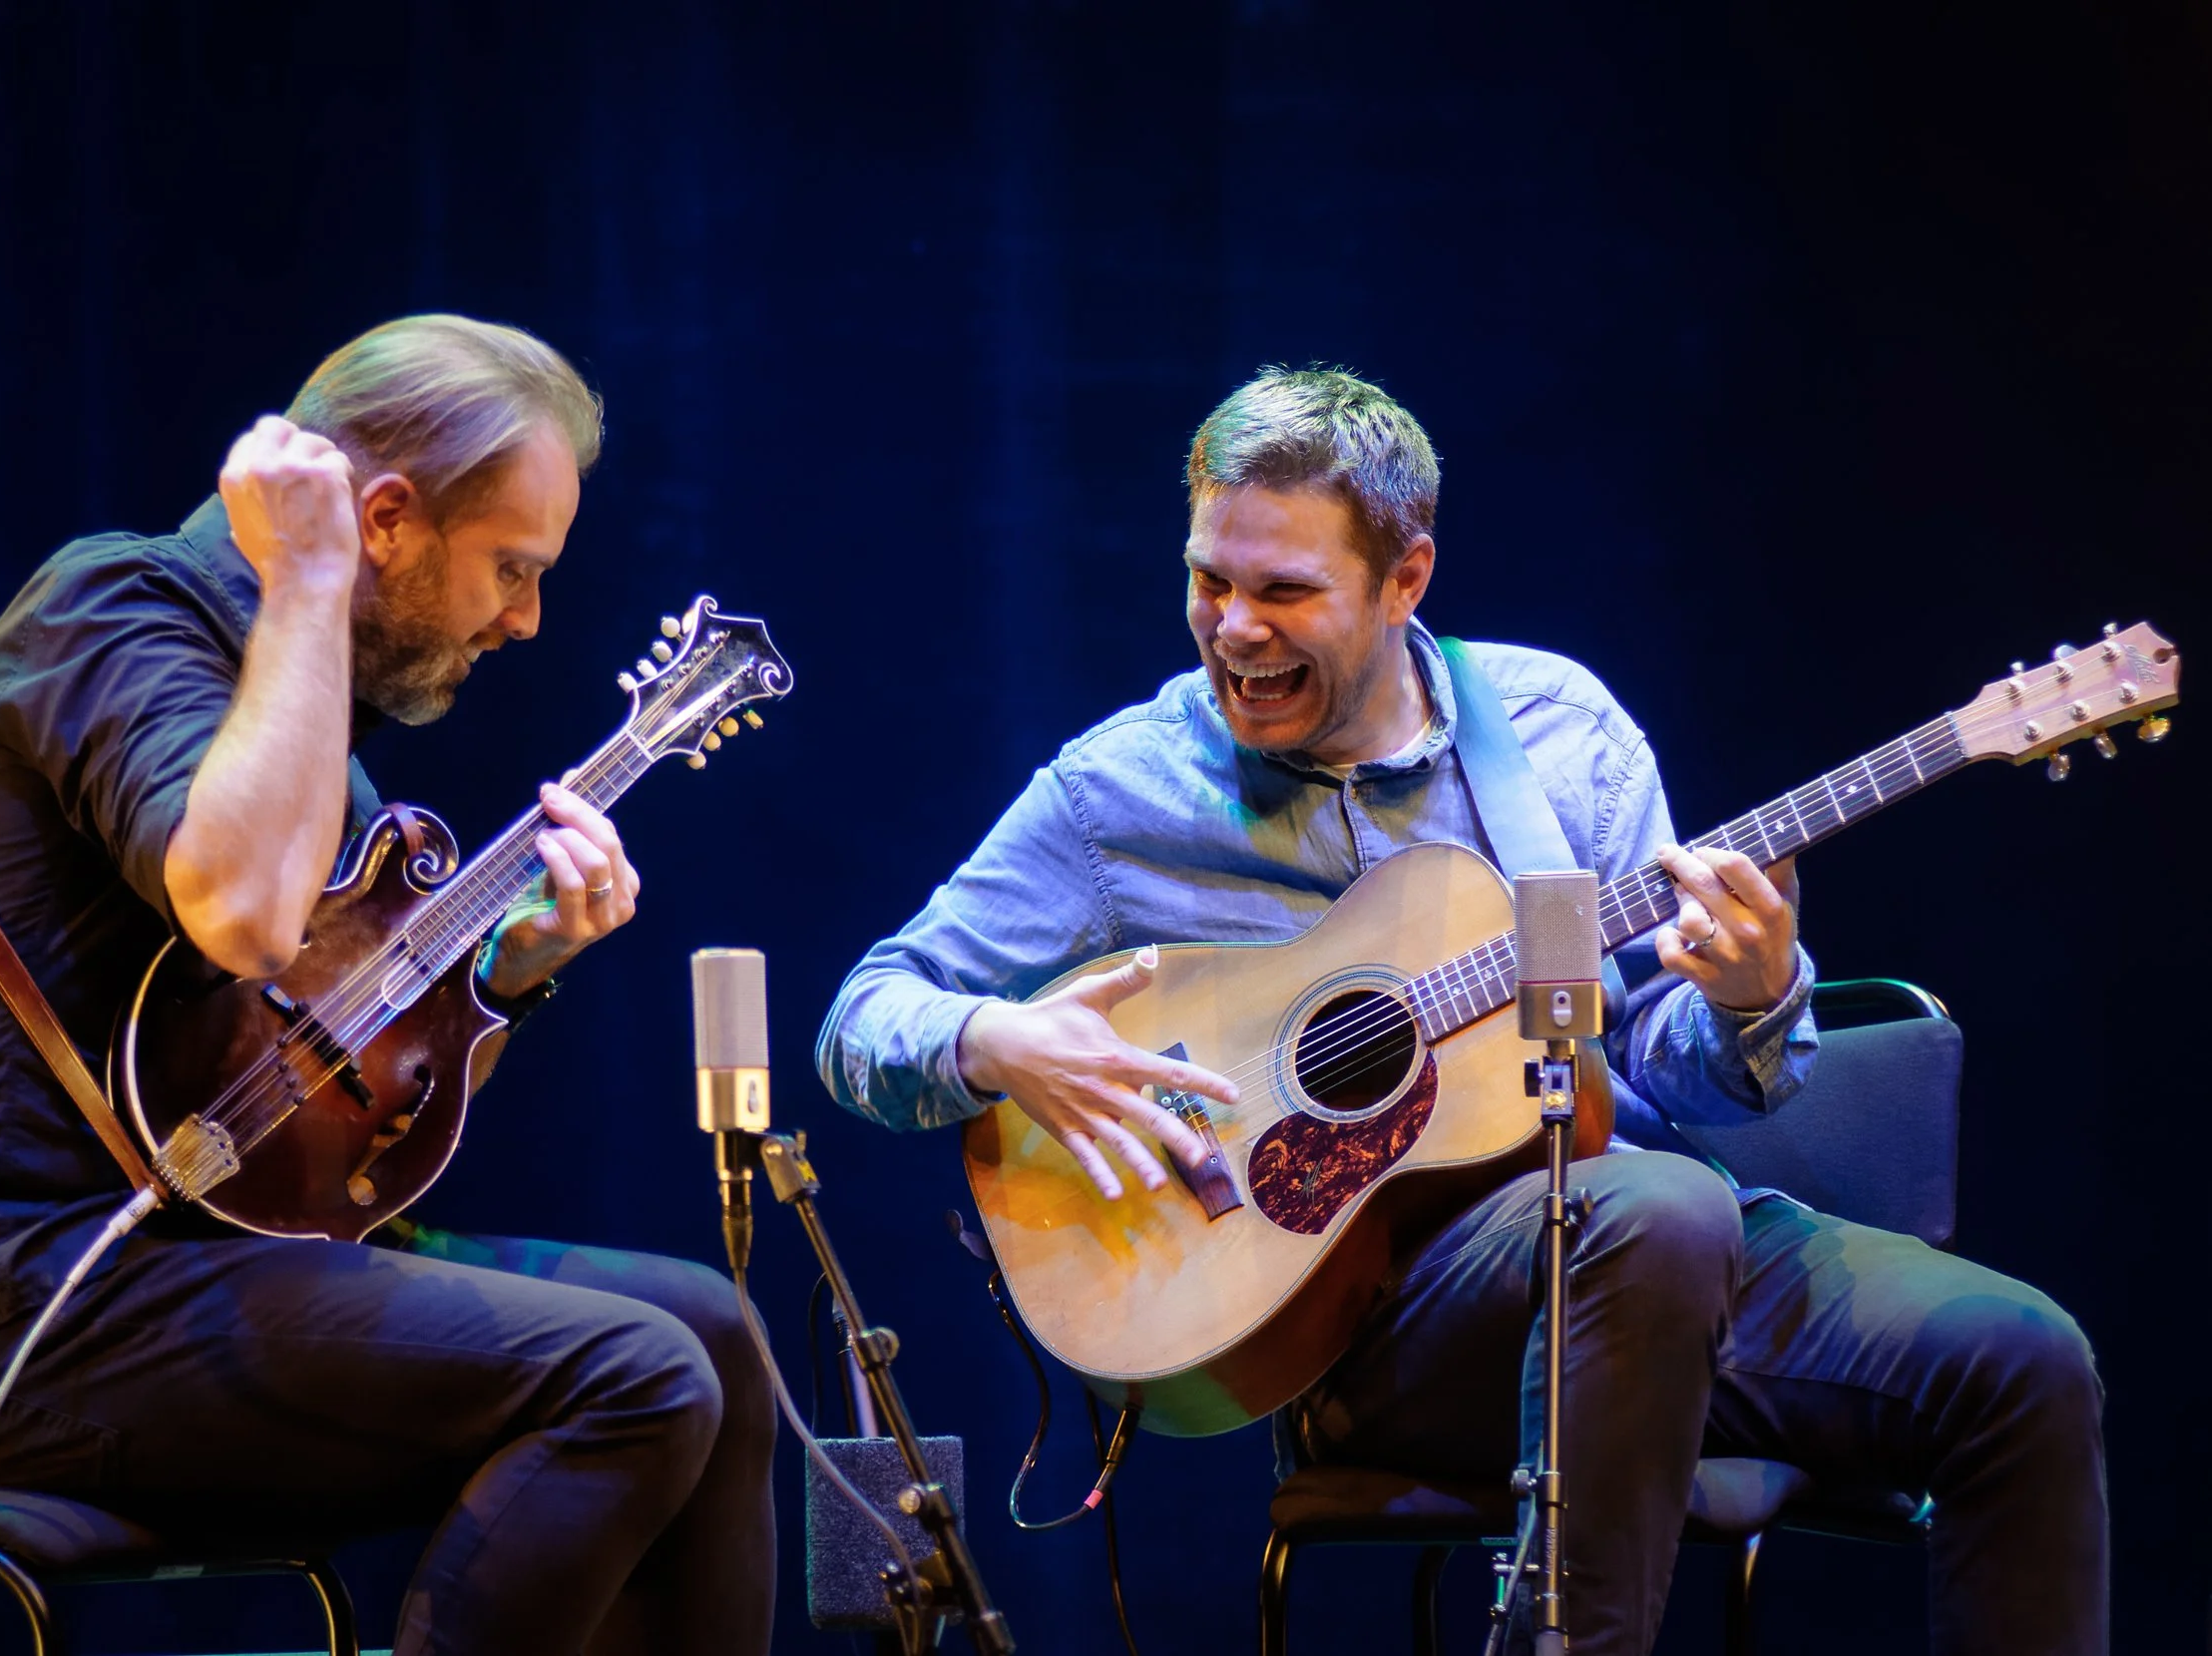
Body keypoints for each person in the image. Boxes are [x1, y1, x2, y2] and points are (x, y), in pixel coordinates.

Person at [815, 367, 2105, 1655]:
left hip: (1653, 1258)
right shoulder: (1118, 796)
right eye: (1210, 580)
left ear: (1406, 580)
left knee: (2022, 1359)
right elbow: (864, 1017)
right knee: (1655, 1211)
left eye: (1285, 592)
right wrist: (994, 1041)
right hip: (1384, 1320)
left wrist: (1751, 999)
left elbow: (1669, 1061)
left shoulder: (1558, 735)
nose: (1234, 629)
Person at [0, 314, 774, 1656]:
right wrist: (308, 584)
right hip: (22, 1320)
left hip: (208, 1266)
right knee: (634, 1376)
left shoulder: (307, 724)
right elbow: (240, 914)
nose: (525, 619)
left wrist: (507, 977)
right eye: (511, 569)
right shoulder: (108, 613)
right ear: (383, 519)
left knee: (716, 1335)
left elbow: (338, 1115)